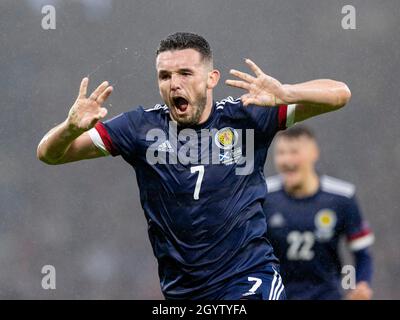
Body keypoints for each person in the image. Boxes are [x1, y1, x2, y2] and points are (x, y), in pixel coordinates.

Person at [37, 32, 351, 300]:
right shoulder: (139, 128)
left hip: (249, 277)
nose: (174, 84)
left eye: (185, 73)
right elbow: (50, 154)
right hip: (182, 290)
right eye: (165, 76)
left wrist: (287, 93)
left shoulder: (249, 114)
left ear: (211, 78)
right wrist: (70, 127)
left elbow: (339, 93)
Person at [264, 125, 374, 300]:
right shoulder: (263, 196)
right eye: (281, 153)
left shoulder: (341, 197)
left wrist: (356, 285)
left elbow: (361, 254)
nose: (286, 159)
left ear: (314, 153)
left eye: (294, 152)